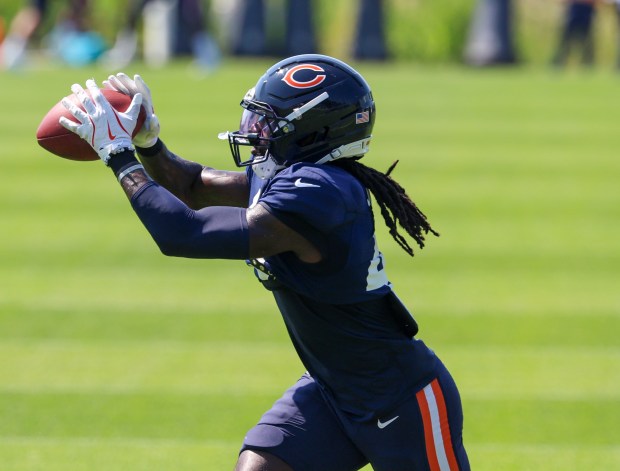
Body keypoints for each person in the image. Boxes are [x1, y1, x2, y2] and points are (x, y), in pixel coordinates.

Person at [58, 54, 470, 471]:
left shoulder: (320, 193)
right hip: (331, 387)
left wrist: (119, 154)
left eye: (270, 121)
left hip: (398, 397)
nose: (254, 130)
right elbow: (193, 186)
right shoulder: (298, 176)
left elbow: (184, 232)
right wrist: (149, 144)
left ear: (313, 131)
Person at [551, 0, 598, 68]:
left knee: (586, 38)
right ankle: (559, 61)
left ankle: (588, 63)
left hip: (587, 6)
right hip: (575, 5)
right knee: (567, 36)